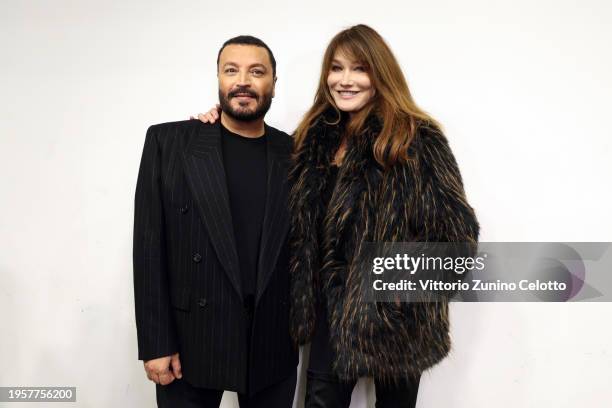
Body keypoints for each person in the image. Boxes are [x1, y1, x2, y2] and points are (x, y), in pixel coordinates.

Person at [197, 24, 479, 408]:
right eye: (336, 68)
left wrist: (389, 294)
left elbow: (458, 237)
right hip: (327, 317)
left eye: (359, 69)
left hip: (399, 322)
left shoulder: (415, 138)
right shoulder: (312, 138)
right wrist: (218, 126)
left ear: (380, 75)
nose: (345, 80)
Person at [133, 35, 297, 408]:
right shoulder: (170, 142)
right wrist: (157, 344)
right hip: (191, 344)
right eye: (231, 70)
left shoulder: (294, 153)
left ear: (273, 83)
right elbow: (148, 247)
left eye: (257, 72)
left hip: (271, 343)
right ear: (219, 80)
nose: (243, 80)